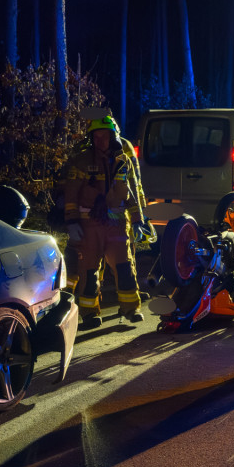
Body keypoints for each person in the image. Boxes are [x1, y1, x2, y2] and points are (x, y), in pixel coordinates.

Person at [59, 115, 145, 328]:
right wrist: (72, 222)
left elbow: (131, 192)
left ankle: (131, 309)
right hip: (89, 226)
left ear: (113, 137)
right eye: (96, 137)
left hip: (117, 224)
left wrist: (138, 220)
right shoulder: (82, 161)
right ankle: (89, 313)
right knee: (89, 271)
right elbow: (71, 193)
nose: (100, 141)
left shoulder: (123, 162)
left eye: (104, 137)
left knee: (125, 267)